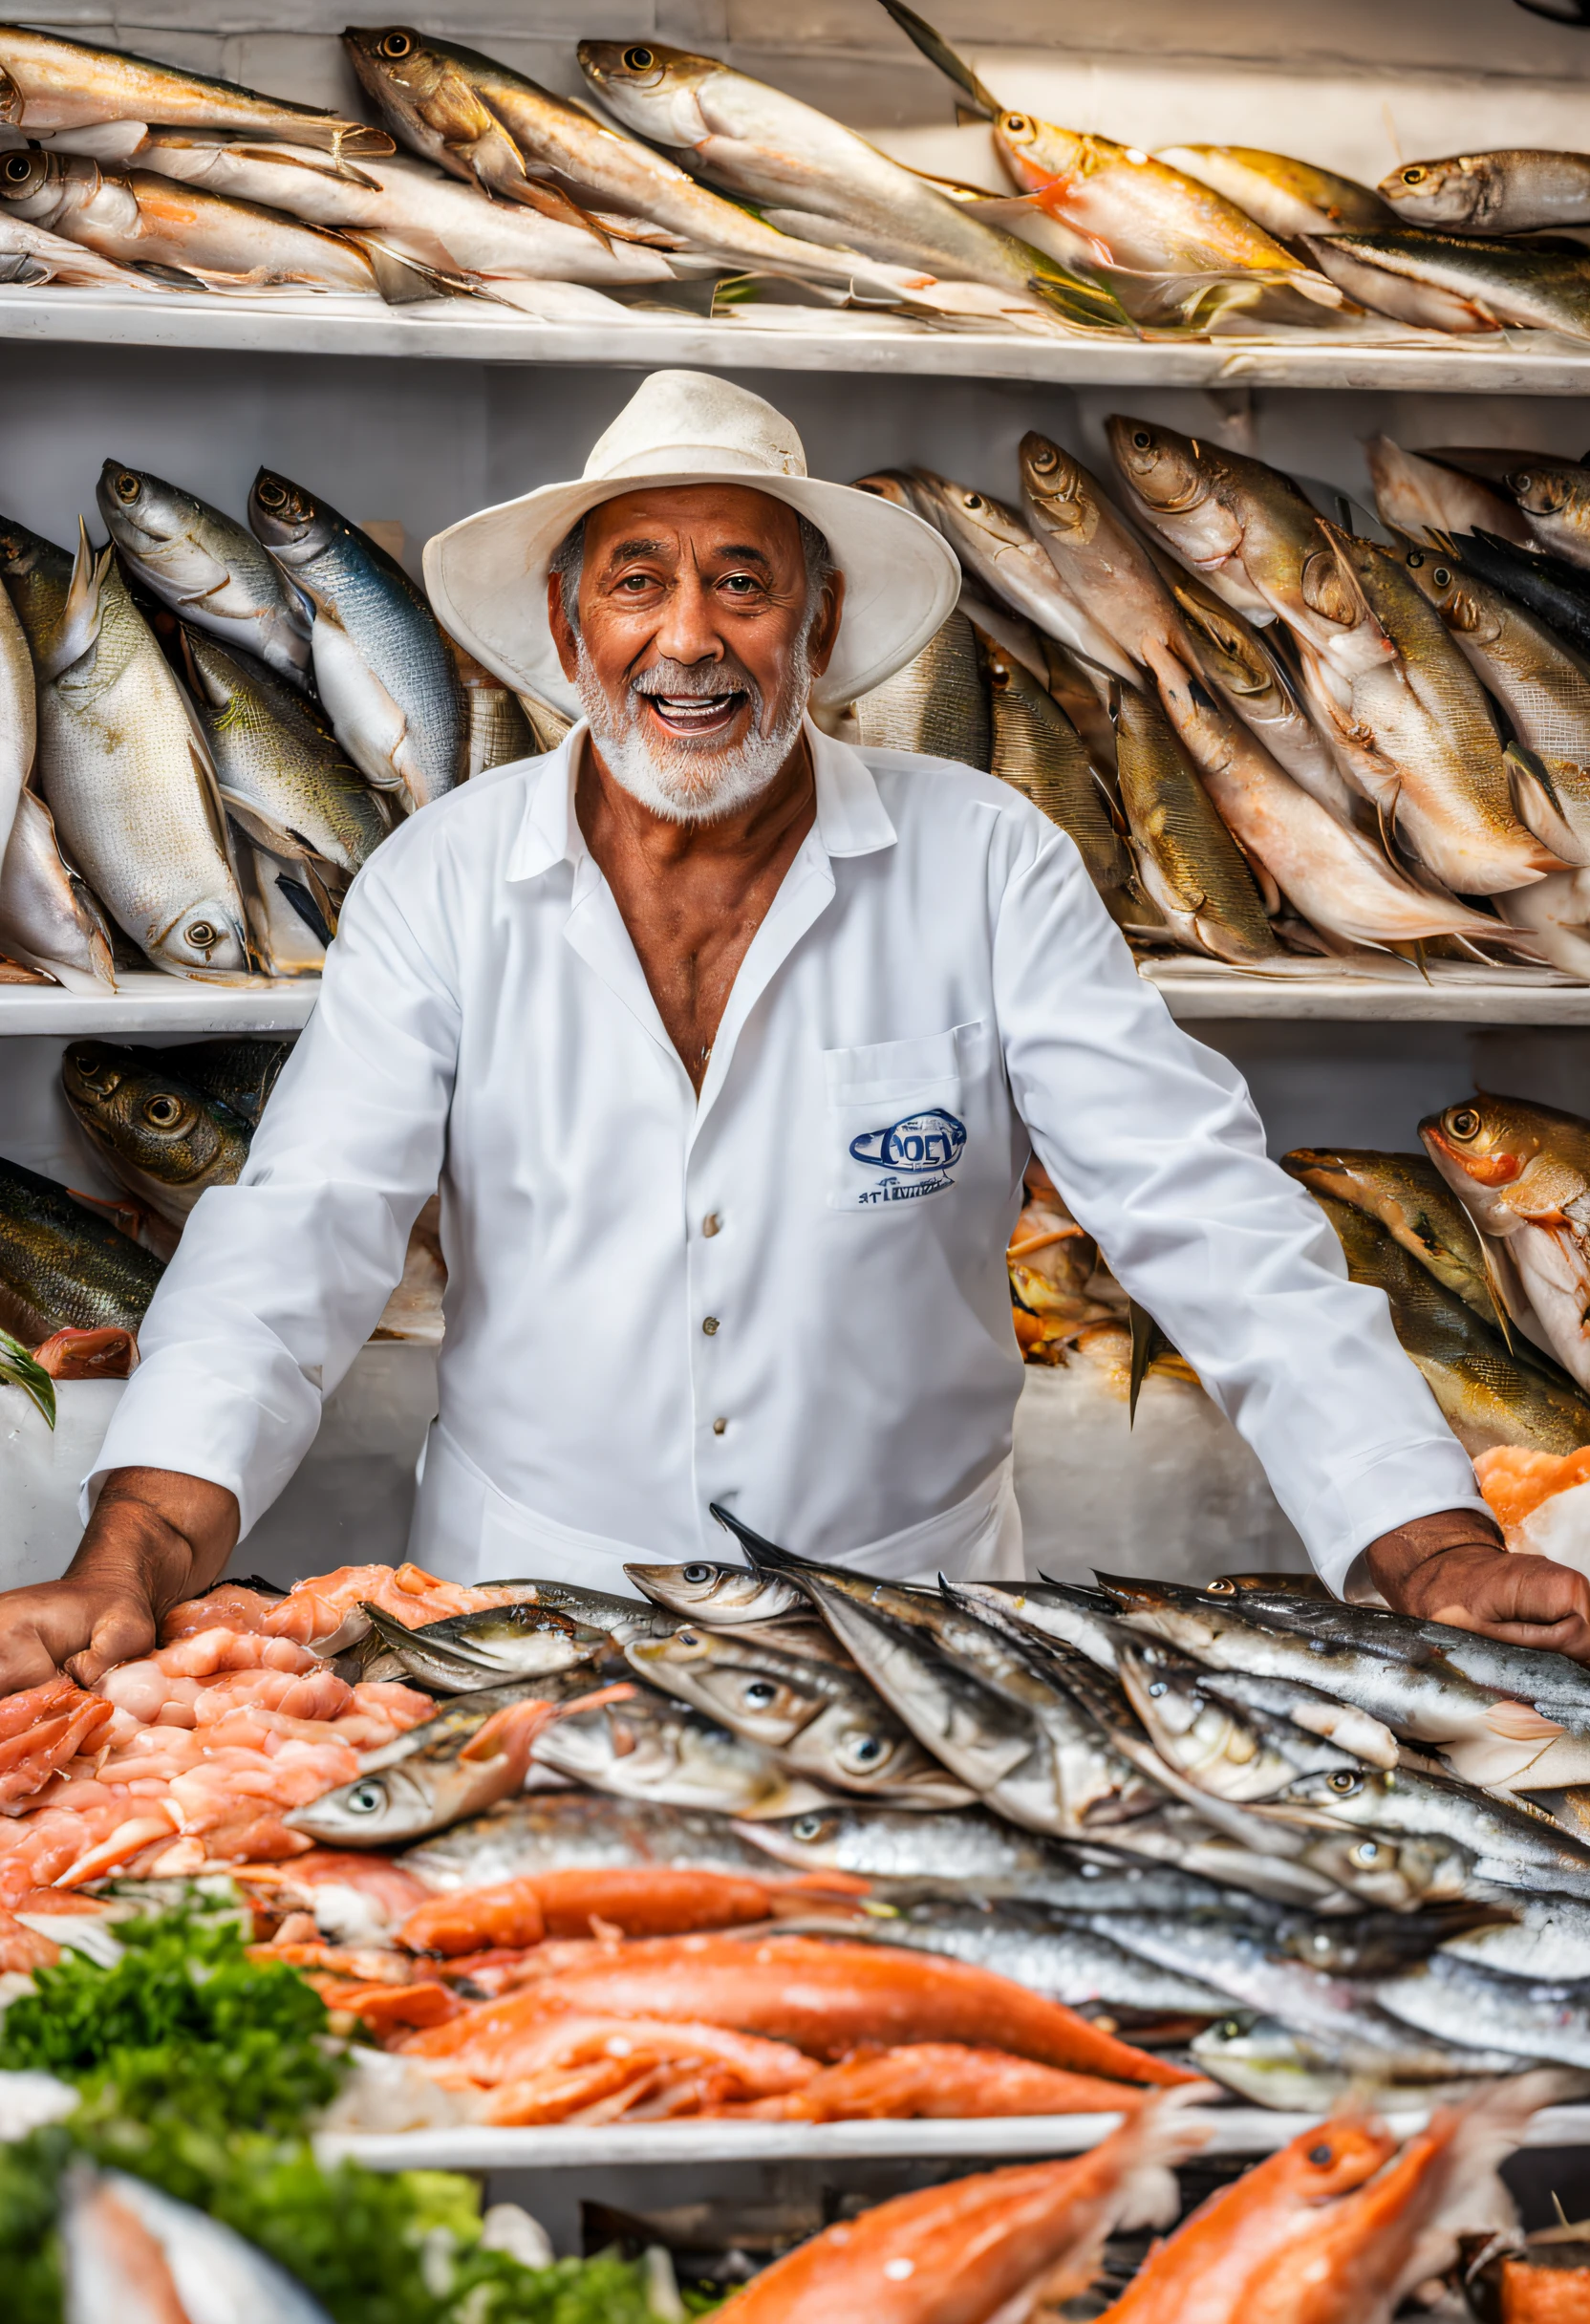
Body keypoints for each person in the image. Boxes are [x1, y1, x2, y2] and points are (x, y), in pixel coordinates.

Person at [0, 368, 1573, 1696]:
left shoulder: (986, 859)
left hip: (920, 1640)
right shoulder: (446, 879)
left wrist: (1428, 1547)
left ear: (814, 635)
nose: (692, 638)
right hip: (528, 1628)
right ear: (567, 632)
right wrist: (127, 1563)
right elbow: (293, 1246)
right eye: (639, 581)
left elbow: (1208, 1214)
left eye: (743, 583)